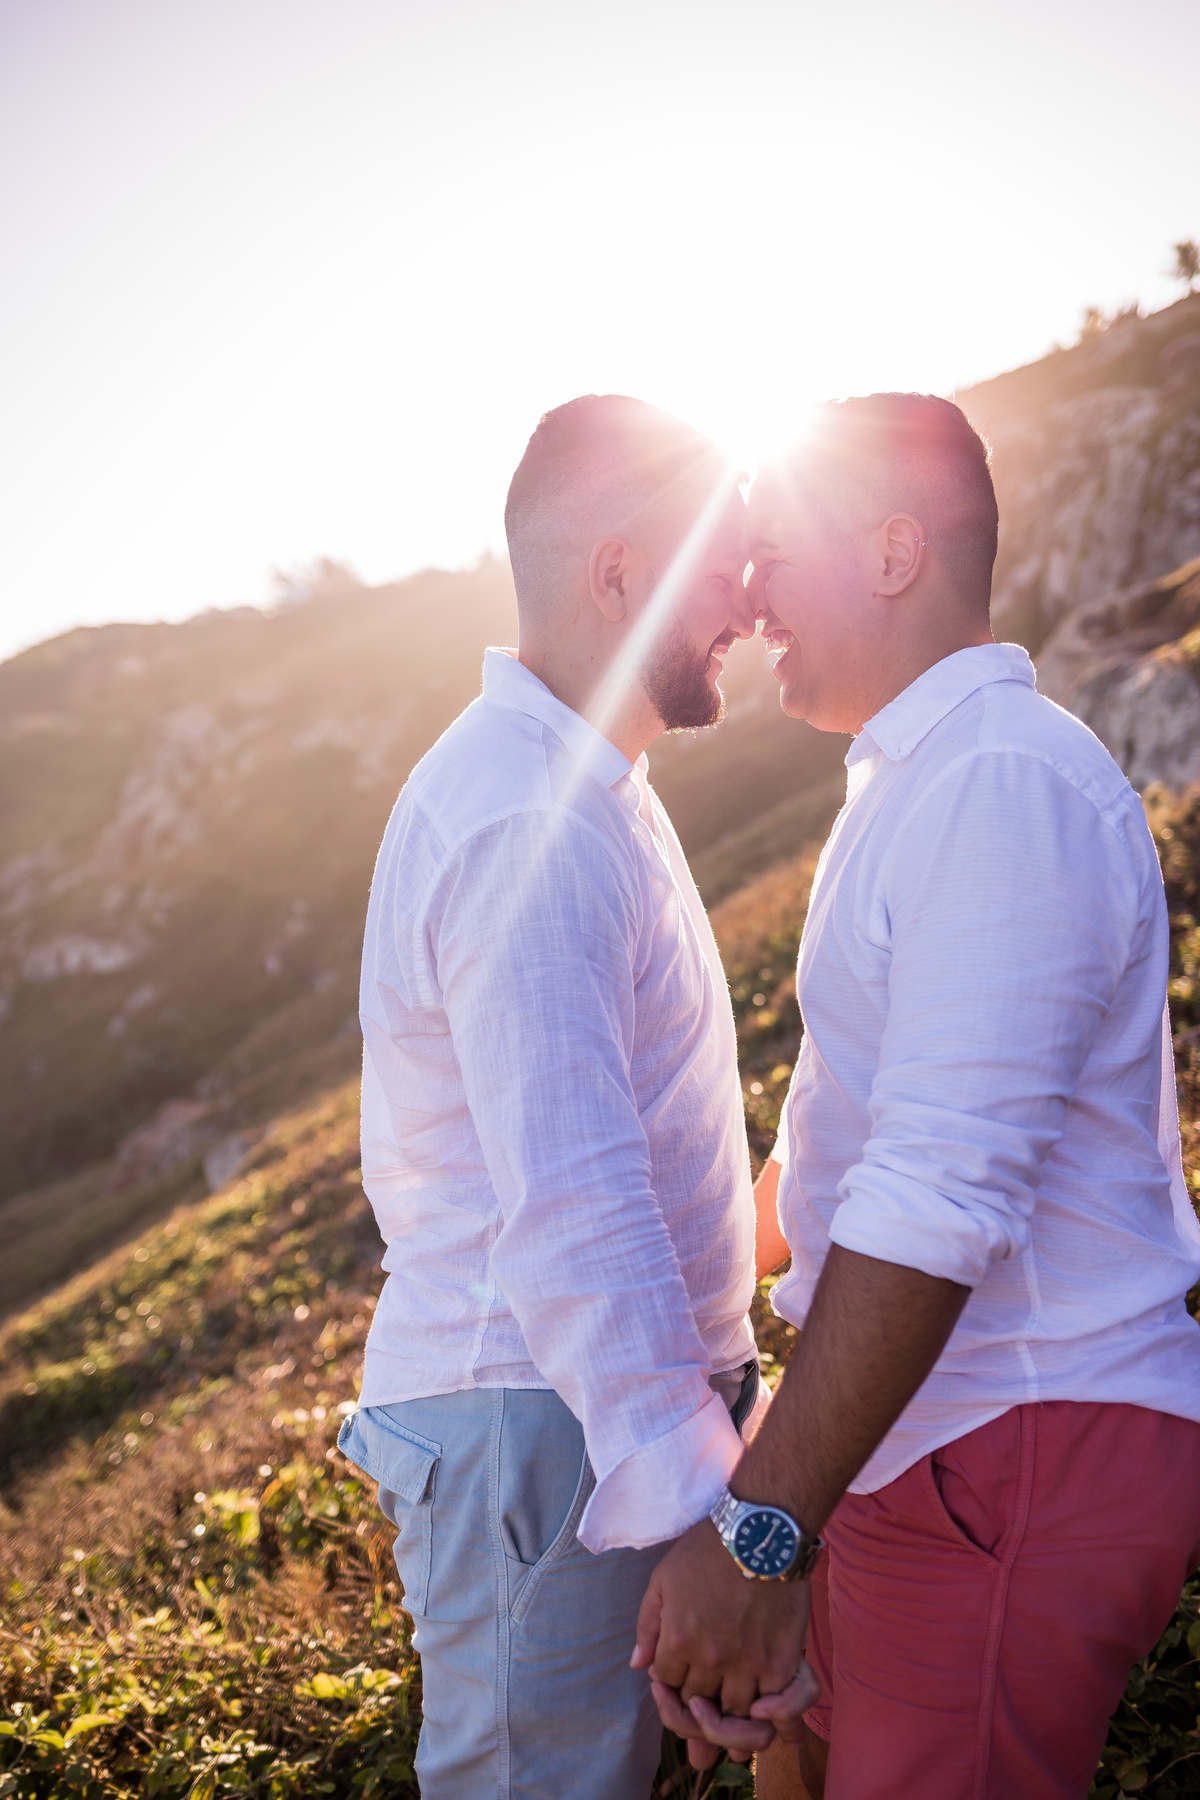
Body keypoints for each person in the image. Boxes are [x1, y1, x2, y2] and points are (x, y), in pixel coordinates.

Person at [636, 393, 1200, 1800]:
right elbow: (853, 1155)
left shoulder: (1000, 782)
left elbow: (940, 1199)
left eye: (778, 548)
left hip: (1009, 1452)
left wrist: (758, 1528)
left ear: (893, 552)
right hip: (913, 1452)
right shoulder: (920, 781)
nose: (749, 588)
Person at [339, 394, 768, 1798]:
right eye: (724, 558)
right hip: (548, 1430)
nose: (748, 601)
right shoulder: (530, 811)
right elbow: (576, 1202)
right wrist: (715, 1519)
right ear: (618, 569)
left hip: (587, 1425)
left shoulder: (587, 785)